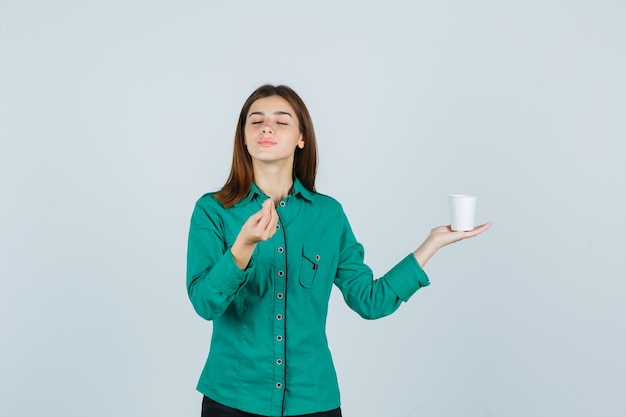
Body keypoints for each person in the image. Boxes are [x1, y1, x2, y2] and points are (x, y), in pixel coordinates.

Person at [186, 84, 492, 417]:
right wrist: (242, 247)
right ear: (244, 137)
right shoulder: (213, 210)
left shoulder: (328, 216)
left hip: (313, 401)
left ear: (302, 137)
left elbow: (369, 300)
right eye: (255, 121)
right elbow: (205, 303)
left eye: (282, 120)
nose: (267, 127)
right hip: (233, 400)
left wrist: (432, 243)